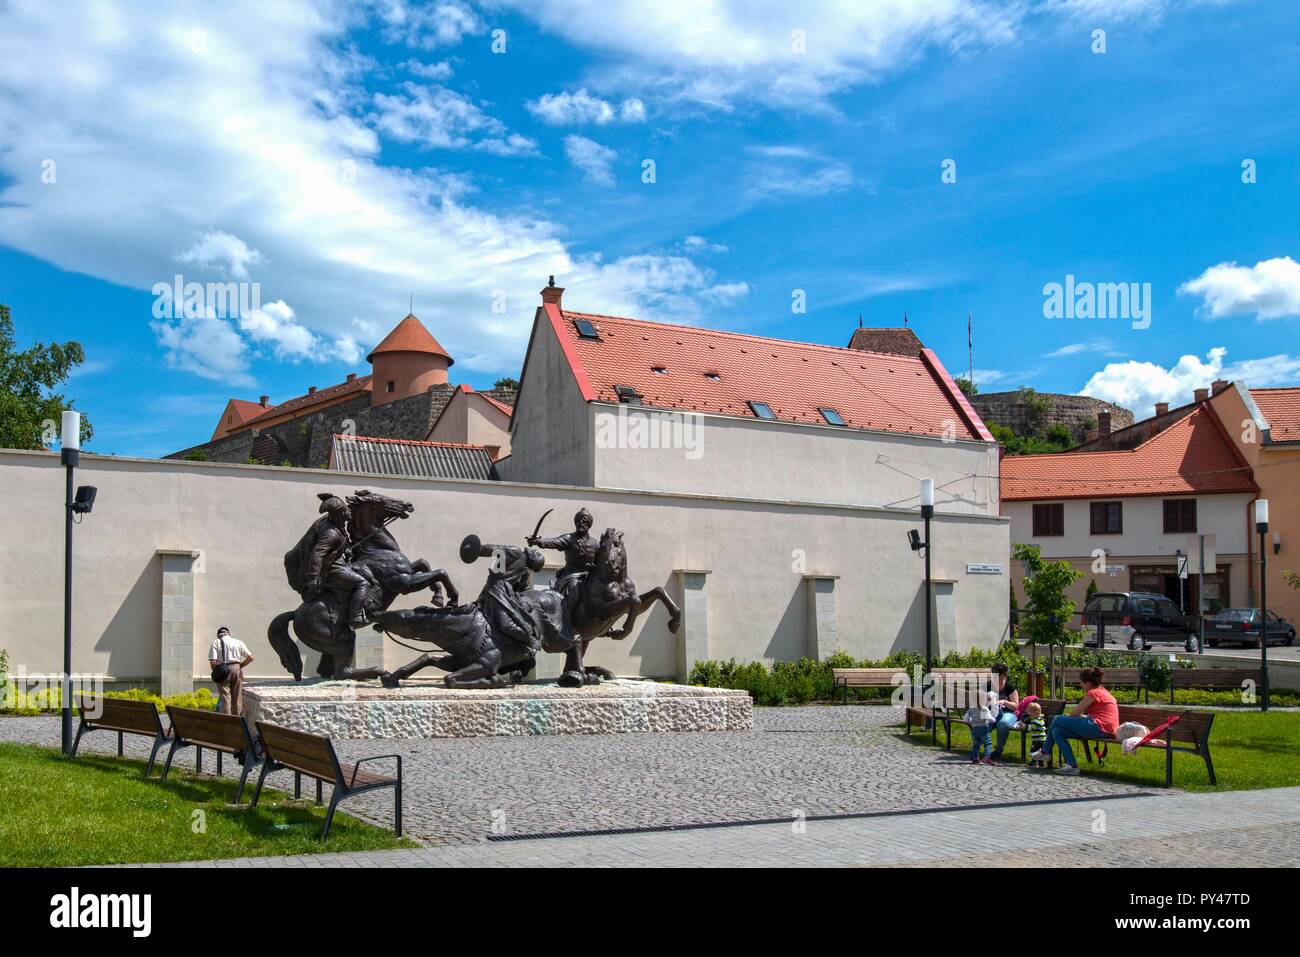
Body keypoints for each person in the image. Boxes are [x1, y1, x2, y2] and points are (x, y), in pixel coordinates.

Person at [1031, 666, 1119, 776]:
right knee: (1057, 731)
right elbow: (1096, 715)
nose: (1081, 685)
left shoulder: (1093, 693)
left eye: (1082, 683)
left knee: (1057, 719)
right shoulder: (1103, 691)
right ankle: (1072, 765)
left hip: (1100, 728)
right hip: (1104, 728)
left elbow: (1074, 713)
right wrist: (1077, 717)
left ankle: (1045, 751)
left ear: (1088, 683)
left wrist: (1072, 717)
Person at [528, 508, 598, 599]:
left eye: (584, 521)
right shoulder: (569, 538)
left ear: (589, 525)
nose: (580, 523)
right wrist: (538, 541)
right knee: (573, 588)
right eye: (578, 521)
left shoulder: (595, 543)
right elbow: (554, 542)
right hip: (572, 574)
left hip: (589, 575)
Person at [208, 626, 254, 717]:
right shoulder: (238, 642)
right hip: (237, 669)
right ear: (229, 634)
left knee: (225, 698)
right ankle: (237, 722)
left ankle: (227, 723)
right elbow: (251, 657)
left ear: (218, 635)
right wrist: (240, 666)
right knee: (237, 698)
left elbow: (213, 661)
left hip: (223, 670)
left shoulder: (216, 642)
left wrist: (216, 673)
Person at [988, 661, 1021, 759]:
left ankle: (998, 750)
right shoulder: (987, 686)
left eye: (998, 675)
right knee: (982, 722)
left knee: (1003, 723)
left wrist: (1004, 702)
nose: (996, 677)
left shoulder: (1009, 687)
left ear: (1004, 675)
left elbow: (1015, 706)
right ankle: (979, 747)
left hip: (1009, 713)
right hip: (991, 712)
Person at [966, 689, 998, 765]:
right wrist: (994, 720)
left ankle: (975, 758)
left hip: (974, 729)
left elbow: (966, 719)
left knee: (976, 744)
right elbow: (988, 718)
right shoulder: (984, 709)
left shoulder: (971, 709)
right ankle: (987, 757)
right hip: (983, 729)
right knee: (988, 743)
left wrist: (971, 721)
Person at [1019, 701, 1048, 767]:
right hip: (1040, 739)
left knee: (1033, 750)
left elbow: (1032, 728)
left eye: (1031, 714)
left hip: (1038, 739)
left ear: (1036, 712)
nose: (1029, 715)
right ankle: (1041, 763)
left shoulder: (1036, 721)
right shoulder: (1038, 718)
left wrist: (1024, 726)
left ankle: (1034, 762)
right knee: (1039, 752)